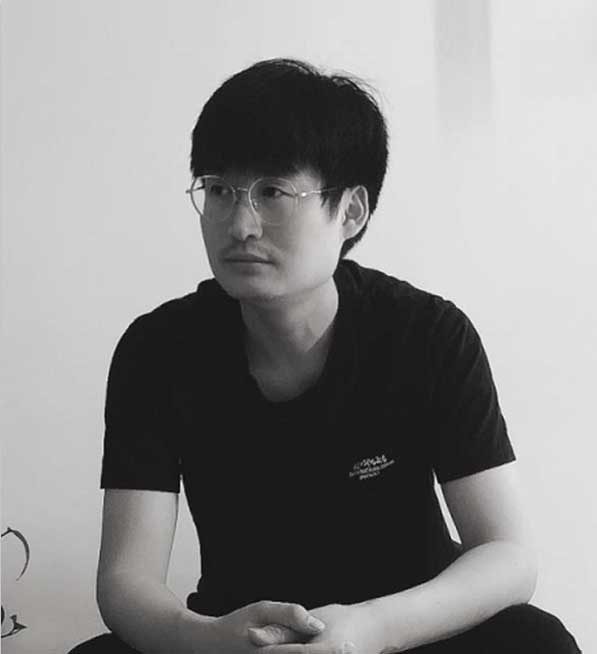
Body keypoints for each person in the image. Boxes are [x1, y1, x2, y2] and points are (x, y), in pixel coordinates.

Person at [68, 59, 581, 653]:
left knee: (536, 641)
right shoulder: (158, 349)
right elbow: (126, 581)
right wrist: (208, 640)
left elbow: (508, 555)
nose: (240, 224)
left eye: (273, 193)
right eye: (220, 190)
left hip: (407, 627)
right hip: (240, 635)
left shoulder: (428, 335)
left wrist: (369, 630)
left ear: (351, 210)